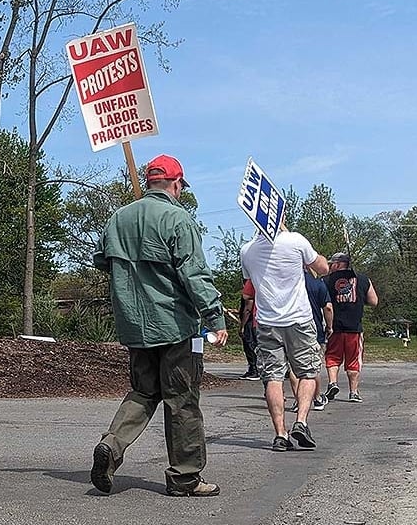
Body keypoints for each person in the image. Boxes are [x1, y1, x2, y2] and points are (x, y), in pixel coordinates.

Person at [89, 154, 228, 498]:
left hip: (134, 326)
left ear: (150, 181)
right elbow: (193, 274)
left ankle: (112, 444)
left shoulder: (118, 218)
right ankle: (185, 478)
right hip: (177, 327)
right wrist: (215, 317)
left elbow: (102, 261)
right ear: (176, 183)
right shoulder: (178, 219)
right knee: (182, 399)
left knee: (143, 392)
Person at [240, 228, 328, 452]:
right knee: (308, 372)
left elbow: (249, 283)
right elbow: (323, 267)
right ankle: (301, 421)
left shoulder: (247, 251)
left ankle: (280, 434)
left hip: (267, 321)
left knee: (273, 378)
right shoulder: (295, 240)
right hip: (299, 319)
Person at [322, 252, 378, 403]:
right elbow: (374, 301)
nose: (329, 266)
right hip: (354, 327)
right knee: (353, 359)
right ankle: (353, 392)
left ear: (339, 264)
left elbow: (322, 302)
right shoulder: (363, 279)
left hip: (333, 327)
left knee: (332, 357)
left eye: (332, 263)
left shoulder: (326, 281)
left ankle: (332, 383)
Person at [304, 270, 333, 412]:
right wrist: (329, 326)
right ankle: (316, 398)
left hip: (290, 329)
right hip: (314, 329)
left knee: (293, 368)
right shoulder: (317, 283)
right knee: (313, 366)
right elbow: (328, 307)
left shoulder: (288, 280)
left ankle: (299, 400)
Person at [239, 281, 261, 381]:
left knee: (250, 344)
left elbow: (248, 308)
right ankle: (253, 369)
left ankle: (254, 370)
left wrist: (242, 326)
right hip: (257, 320)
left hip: (251, 321)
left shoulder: (250, 287)